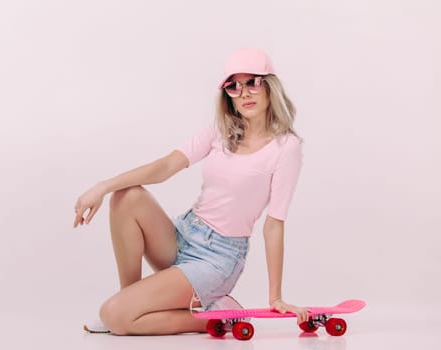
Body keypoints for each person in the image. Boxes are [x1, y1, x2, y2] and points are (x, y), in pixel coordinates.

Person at [73, 47, 309, 336]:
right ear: (227, 95)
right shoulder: (220, 132)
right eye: (234, 86)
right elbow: (165, 166)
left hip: (217, 259)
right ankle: (129, 299)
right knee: (126, 195)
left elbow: (274, 224)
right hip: (184, 235)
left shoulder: (285, 148)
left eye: (253, 82)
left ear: (270, 86)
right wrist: (103, 186)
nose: (244, 93)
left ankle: (221, 314)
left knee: (114, 316)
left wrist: (275, 298)